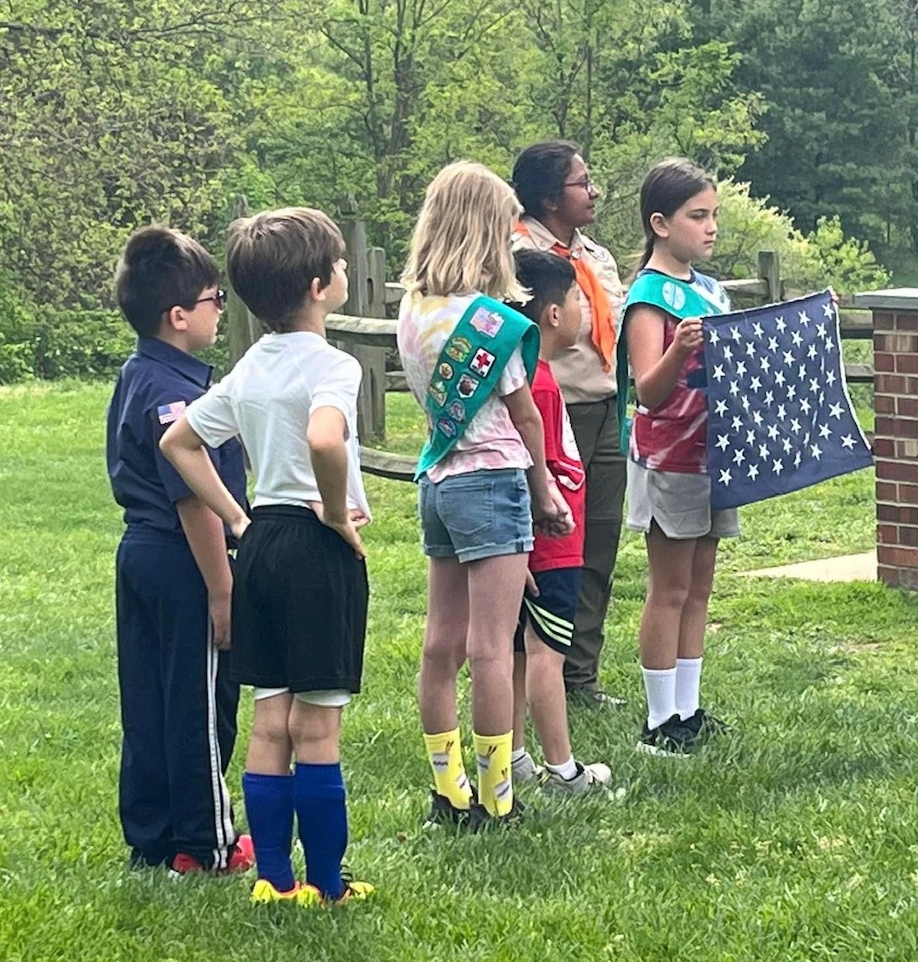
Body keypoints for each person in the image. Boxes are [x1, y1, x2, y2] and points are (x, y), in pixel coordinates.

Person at [160, 207, 374, 905]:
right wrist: (339, 513)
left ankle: (272, 880)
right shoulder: (334, 365)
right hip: (315, 548)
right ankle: (327, 882)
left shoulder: (251, 365)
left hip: (262, 547)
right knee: (317, 727)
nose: (345, 272)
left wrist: (237, 517)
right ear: (319, 285)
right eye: (341, 264)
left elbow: (179, 444)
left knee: (268, 718)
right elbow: (322, 440)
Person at [397, 161, 573, 829]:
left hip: (438, 480)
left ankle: (449, 789)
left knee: (440, 645)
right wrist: (546, 488)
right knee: (493, 648)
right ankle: (499, 795)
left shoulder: (414, 310)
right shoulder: (489, 322)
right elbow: (525, 415)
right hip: (494, 478)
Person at [106, 226, 253, 877]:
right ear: (179, 316)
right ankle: (204, 841)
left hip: (138, 554)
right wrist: (222, 588)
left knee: (149, 697)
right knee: (199, 699)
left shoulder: (136, 373)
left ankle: (153, 832)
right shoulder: (180, 396)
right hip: (185, 559)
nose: (221, 306)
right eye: (214, 297)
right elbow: (192, 501)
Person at [619, 159, 737, 756]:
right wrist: (680, 347)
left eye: (714, 214)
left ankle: (689, 709)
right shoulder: (648, 295)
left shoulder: (711, 289)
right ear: (660, 223)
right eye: (698, 216)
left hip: (712, 454)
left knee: (700, 587)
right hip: (668, 457)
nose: (711, 227)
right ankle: (659, 719)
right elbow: (647, 388)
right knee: (668, 588)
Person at [511, 141, 627, 707]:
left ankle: (580, 674)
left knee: (598, 541)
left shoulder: (595, 256)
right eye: (583, 183)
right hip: (550, 409)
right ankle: (532, 667)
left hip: (605, 409)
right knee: (546, 546)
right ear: (550, 196)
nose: (594, 191)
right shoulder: (517, 256)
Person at [507, 249, 613, 795]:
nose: (581, 309)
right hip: (553, 545)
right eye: (576, 299)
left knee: (520, 649)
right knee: (548, 650)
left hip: (530, 545)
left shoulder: (528, 375)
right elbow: (535, 466)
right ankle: (562, 769)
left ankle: (516, 755)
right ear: (552, 313)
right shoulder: (540, 386)